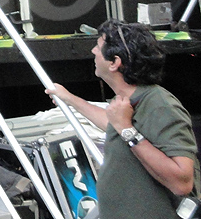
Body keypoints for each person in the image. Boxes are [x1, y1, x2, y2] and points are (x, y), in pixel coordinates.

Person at [45, 20, 200, 219]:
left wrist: (127, 129)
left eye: (99, 47)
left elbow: (182, 183)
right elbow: (114, 127)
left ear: (114, 62)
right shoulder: (127, 103)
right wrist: (71, 100)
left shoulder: (161, 106)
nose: (93, 51)